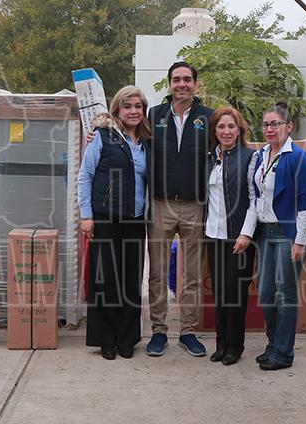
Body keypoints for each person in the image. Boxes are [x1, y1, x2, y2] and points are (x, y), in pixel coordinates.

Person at [144, 61, 213, 358]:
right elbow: (130, 137)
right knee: (157, 272)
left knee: (193, 273)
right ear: (169, 84)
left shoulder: (208, 117)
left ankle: (188, 331)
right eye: (176, 79)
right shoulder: (154, 115)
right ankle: (159, 330)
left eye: (187, 79)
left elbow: (226, 145)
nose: (181, 84)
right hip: (161, 204)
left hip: (195, 205)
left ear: (195, 84)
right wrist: (98, 133)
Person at [77, 86, 151, 360]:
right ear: (117, 110)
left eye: (138, 106)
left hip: (135, 220)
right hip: (106, 218)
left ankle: (127, 339)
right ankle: (106, 339)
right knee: (105, 280)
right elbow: (85, 175)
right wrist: (86, 215)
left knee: (131, 281)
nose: (133, 111)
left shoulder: (147, 142)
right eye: (127, 106)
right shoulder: (102, 137)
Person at [242, 105, 306, 370]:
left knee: (285, 293)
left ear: (288, 126)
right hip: (266, 233)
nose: (270, 129)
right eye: (266, 124)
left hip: (288, 234)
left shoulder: (298, 157)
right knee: (266, 293)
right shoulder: (261, 155)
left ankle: (283, 352)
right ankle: (273, 344)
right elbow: (256, 196)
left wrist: (300, 241)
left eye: (275, 124)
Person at [204, 107, 256, 365]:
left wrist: (246, 233)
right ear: (215, 131)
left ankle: (235, 346)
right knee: (220, 293)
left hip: (239, 237)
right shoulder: (209, 158)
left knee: (235, 294)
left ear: (239, 129)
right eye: (221, 127)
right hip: (213, 235)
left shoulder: (249, 157)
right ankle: (221, 343)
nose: (226, 131)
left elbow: (255, 199)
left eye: (231, 126)